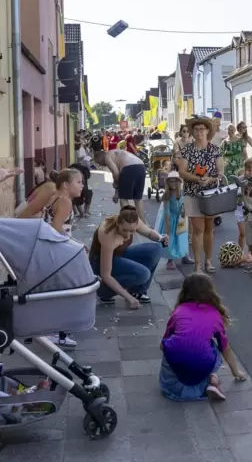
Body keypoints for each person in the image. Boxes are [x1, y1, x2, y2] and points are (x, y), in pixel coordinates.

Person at [159, 273, 246, 402]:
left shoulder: (178, 311)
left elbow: (162, 345)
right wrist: (236, 372)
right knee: (212, 346)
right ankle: (212, 378)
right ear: (211, 292)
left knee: (170, 346)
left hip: (173, 381)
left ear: (184, 291)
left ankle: (199, 382)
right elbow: (225, 348)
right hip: (203, 362)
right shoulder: (215, 314)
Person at [89, 206, 167, 309]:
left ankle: (137, 292)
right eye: (124, 230)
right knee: (143, 274)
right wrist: (128, 298)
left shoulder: (133, 221)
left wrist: (161, 238)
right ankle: (104, 292)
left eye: (132, 231)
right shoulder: (108, 233)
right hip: (100, 262)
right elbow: (105, 275)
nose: (127, 235)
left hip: (119, 254)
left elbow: (149, 233)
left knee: (156, 249)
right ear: (118, 223)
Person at [43, 168, 85, 348]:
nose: (82, 186)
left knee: (57, 289)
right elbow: (56, 227)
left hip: (49, 249)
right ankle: (56, 332)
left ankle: (52, 329)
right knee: (65, 290)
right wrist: (75, 245)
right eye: (78, 182)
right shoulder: (66, 202)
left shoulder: (54, 197)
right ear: (66, 185)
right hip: (57, 251)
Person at [176, 116, 223, 274]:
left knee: (209, 229)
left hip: (211, 194)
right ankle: (197, 264)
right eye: (196, 129)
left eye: (202, 129)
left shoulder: (215, 150)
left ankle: (208, 261)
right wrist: (197, 179)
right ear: (192, 132)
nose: (199, 132)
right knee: (197, 229)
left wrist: (211, 178)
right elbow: (182, 172)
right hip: (192, 193)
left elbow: (220, 173)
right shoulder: (186, 150)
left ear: (208, 131)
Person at [92, 148, 148, 223]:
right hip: (141, 166)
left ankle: (128, 221)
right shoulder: (115, 152)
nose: (101, 165)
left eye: (99, 163)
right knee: (138, 198)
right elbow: (118, 178)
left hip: (128, 168)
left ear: (100, 158)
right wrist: (116, 193)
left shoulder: (107, 157)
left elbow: (116, 174)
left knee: (124, 199)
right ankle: (142, 222)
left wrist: (115, 185)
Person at [156, 171, 190, 270]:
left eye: (175, 181)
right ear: (167, 183)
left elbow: (185, 205)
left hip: (181, 219)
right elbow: (166, 213)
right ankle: (170, 260)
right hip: (170, 220)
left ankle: (184, 255)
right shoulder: (167, 195)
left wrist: (184, 212)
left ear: (180, 182)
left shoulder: (183, 193)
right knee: (171, 240)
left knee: (182, 237)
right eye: (170, 182)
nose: (173, 184)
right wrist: (167, 228)